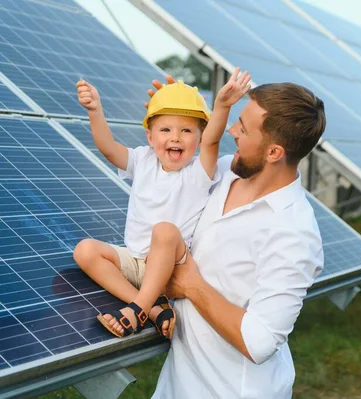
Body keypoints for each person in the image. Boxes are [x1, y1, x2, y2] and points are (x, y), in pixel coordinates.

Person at [145, 76, 327, 398]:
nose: (232, 132)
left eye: (242, 128)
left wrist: (191, 285)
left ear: (273, 152)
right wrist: (172, 117)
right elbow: (170, 172)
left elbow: (260, 341)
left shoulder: (293, 232)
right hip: (177, 386)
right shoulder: (227, 171)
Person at [72, 68, 251, 339]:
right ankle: (153, 310)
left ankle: (136, 311)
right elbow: (109, 148)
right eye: (165, 129)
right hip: (135, 260)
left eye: (187, 130)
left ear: (200, 138)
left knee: (164, 230)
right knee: (84, 250)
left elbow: (214, 138)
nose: (175, 137)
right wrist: (95, 110)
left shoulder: (199, 172)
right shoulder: (142, 160)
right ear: (150, 136)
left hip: (170, 269)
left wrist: (222, 105)